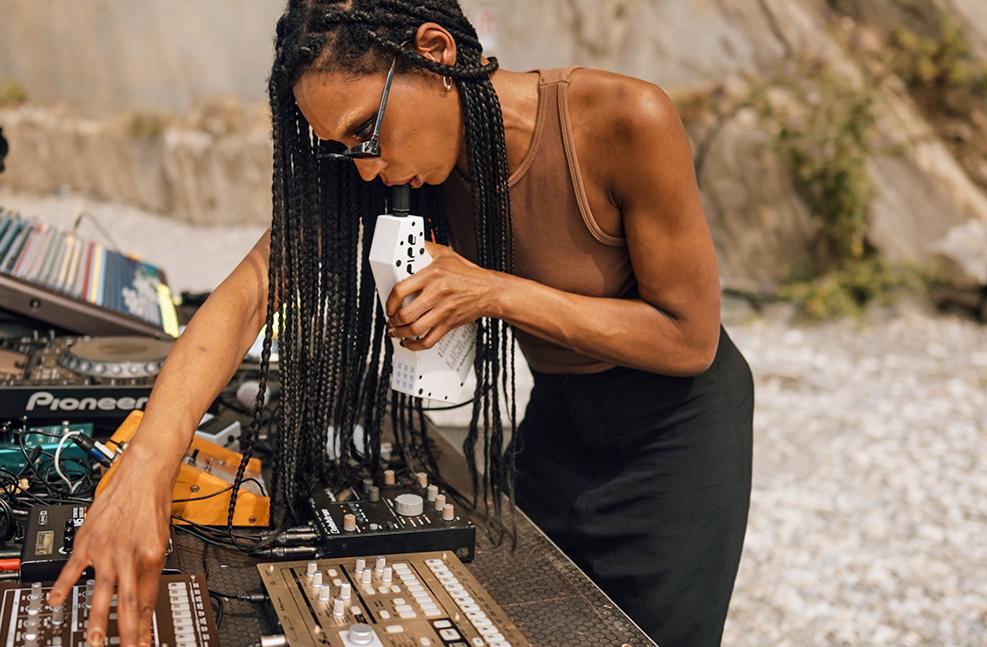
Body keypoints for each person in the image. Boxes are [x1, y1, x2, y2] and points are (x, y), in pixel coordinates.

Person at [48, 2, 755, 646]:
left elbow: (687, 336)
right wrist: (145, 464)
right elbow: (251, 292)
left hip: (677, 434)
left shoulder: (626, 118)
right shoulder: (394, 168)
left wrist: (494, 291)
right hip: (561, 418)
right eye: (342, 147)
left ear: (437, 52)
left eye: (365, 131)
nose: (363, 168)